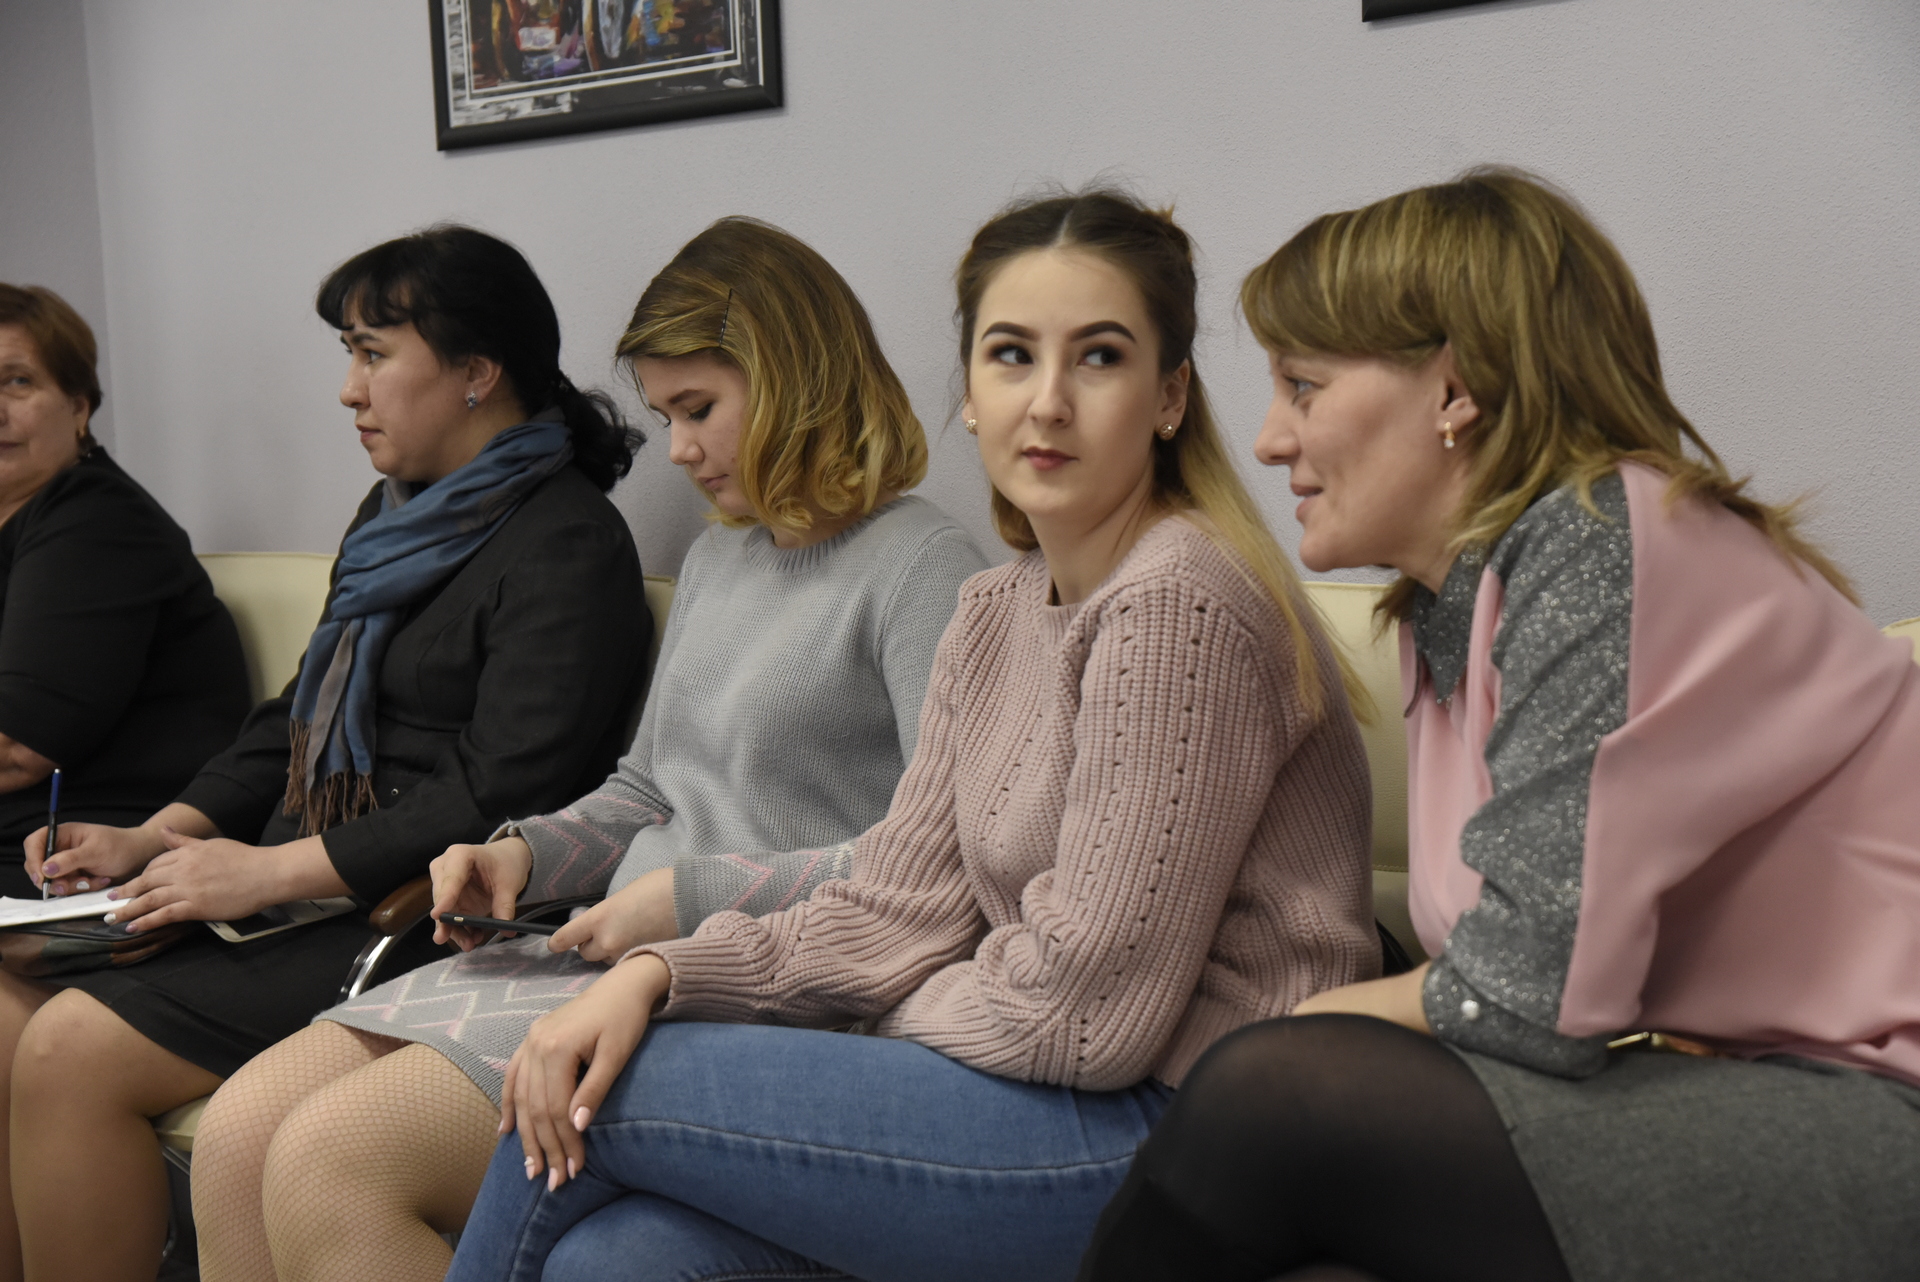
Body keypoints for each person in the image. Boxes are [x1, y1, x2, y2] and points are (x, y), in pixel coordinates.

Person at [442, 189, 1377, 1282]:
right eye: (1012, 356)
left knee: (599, 1090)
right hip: (1038, 1093)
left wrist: (897, 1003)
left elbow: (1086, 1017)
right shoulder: (997, 610)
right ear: (970, 395)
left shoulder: (1179, 599)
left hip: (1186, 1128)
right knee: (616, 1259)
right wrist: (659, 971)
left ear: (1169, 396)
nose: (1048, 403)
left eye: (1100, 357)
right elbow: (900, 904)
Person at [1075, 169, 1920, 1282]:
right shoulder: (1456, 614)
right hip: (1734, 1080)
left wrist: (1306, 1015)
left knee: (1268, 1091)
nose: (1272, 439)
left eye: (1304, 386)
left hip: (1878, 1112)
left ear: (1455, 389)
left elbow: (1522, 996)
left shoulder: (1599, 542)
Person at [188, 216, 990, 1282]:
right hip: (602, 955)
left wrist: (686, 896)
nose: (681, 451)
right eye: (666, 417)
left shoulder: (926, 569)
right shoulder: (722, 559)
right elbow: (647, 788)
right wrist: (525, 854)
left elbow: (937, 865)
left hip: (755, 984)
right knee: (239, 1133)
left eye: (699, 410)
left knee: (330, 1161)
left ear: (797, 379)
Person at [3, 226, 652, 1282]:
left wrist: (267, 872)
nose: (349, 390)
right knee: (20, 1001)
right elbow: (296, 716)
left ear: (478, 370)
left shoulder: (569, 543)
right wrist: (159, 834)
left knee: (70, 1048)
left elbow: (503, 791)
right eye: (349, 354)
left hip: (417, 917)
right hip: (305, 889)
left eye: (373, 354)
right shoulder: (392, 515)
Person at [0, 285, 250, 898]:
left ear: (79, 407)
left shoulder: (97, 519)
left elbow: (18, 746)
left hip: (92, 853)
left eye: (17, 382)